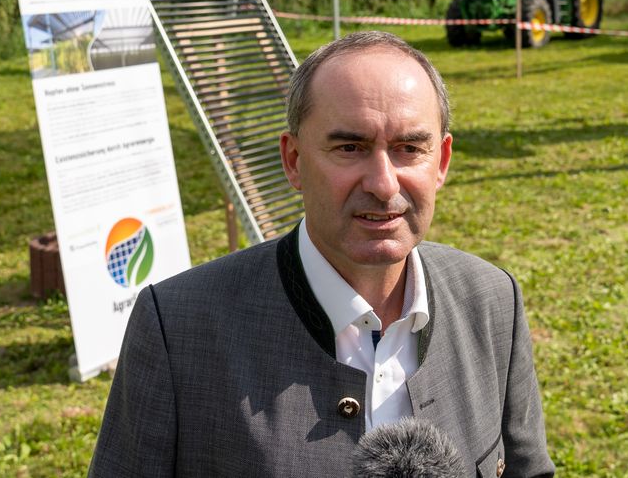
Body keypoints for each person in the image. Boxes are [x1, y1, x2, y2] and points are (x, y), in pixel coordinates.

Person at [88, 31, 554, 478]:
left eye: (409, 149)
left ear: (442, 162)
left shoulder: (493, 302)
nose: (383, 183)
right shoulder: (180, 329)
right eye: (350, 147)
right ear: (293, 161)